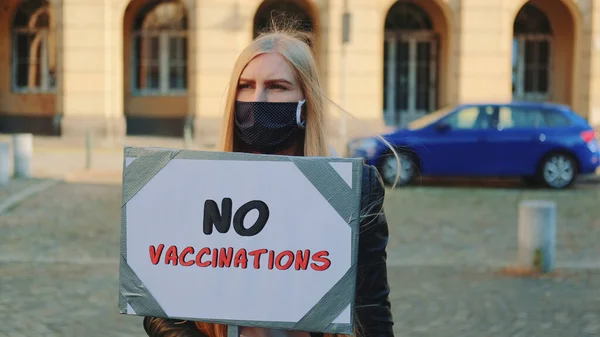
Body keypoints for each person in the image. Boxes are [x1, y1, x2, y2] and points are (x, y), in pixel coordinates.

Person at [143, 22, 395, 337]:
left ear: (306, 99)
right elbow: (159, 309)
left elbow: (372, 310)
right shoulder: (196, 183)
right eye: (246, 85)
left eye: (277, 86)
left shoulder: (352, 189)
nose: (258, 99)